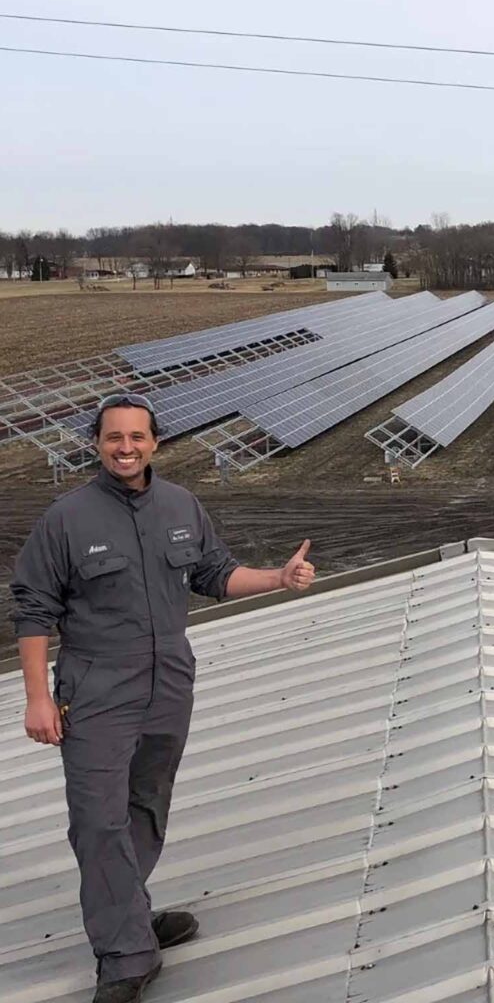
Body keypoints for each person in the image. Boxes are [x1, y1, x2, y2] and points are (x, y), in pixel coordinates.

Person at [12, 393, 317, 1003]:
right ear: (96, 444)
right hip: (97, 689)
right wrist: (37, 699)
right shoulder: (66, 519)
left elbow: (214, 574)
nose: (125, 448)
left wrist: (278, 579)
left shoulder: (180, 505)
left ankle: (130, 918)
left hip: (168, 682)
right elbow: (33, 611)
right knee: (98, 821)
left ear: (156, 442)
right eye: (113, 438)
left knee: (147, 807)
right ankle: (125, 959)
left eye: (137, 437)